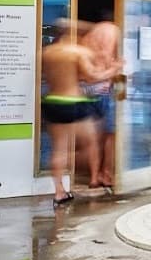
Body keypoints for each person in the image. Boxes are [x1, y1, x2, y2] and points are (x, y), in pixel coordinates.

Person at [39, 24, 122, 206]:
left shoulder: (48, 52)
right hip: (73, 103)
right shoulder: (76, 52)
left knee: (58, 149)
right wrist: (114, 70)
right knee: (92, 143)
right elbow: (92, 76)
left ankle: (59, 191)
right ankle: (93, 178)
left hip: (52, 102)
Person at [80, 16, 120, 189]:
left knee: (93, 138)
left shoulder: (87, 37)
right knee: (111, 135)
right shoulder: (113, 31)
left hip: (84, 89)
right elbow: (112, 60)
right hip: (103, 89)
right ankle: (106, 174)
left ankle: (94, 177)